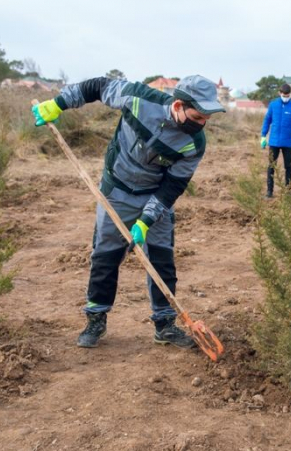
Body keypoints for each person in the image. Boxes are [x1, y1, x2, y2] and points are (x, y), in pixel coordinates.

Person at [32, 75, 225, 349]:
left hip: (155, 195)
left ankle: (165, 324)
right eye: (198, 115)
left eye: (207, 117)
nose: (203, 122)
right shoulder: (138, 98)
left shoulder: (194, 144)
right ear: (179, 105)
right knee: (106, 254)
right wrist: (59, 103)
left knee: (161, 258)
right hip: (117, 191)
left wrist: (146, 220)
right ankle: (96, 318)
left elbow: (173, 186)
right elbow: (96, 87)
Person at [260, 83, 291, 198]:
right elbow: (267, 120)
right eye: (283, 95)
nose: (285, 97)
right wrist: (263, 135)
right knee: (271, 166)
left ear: (290, 94)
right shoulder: (273, 105)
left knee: (288, 167)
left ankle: (288, 192)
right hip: (274, 142)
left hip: (287, 142)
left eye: (287, 95)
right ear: (279, 93)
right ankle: (269, 191)